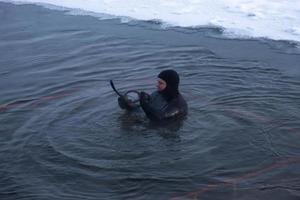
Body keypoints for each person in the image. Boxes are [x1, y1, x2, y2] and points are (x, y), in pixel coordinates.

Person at [118, 69, 188, 122]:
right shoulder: (157, 93)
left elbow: (160, 118)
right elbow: (144, 110)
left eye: (160, 83)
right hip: (151, 124)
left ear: (169, 85)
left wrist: (144, 104)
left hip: (166, 128)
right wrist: (128, 105)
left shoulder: (178, 104)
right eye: (158, 82)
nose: (157, 85)